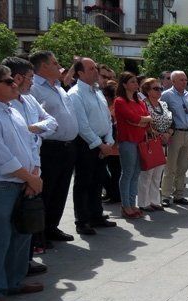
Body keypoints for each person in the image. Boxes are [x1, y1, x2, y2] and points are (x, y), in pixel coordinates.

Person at [0, 63, 45, 301]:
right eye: (8, 81)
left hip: (24, 182)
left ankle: (14, 282)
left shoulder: (12, 111)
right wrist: (30, 177)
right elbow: (1, 157)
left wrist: (34, 172)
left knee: (22, 234)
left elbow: (31, 142)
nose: (14, 83)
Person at [2, 56, 56, 272]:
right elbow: (10, 146)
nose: (33, 81)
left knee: (27, 220)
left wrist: (36, 126)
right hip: (14, 175)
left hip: (34, 167)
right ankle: (7, 272)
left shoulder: (30, 100)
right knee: (9, 226)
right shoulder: (6, 105)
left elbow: (51, 122)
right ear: (18, 77)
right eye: (31, 77)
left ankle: (22, 264)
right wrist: (29, 175)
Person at [29, 51, 80, 243]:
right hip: (49, 148)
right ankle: (39, 234)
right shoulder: (34, 88)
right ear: (43, 67)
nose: (59, 65)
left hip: (67, 147)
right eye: (54, 62)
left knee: (60, 190)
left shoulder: (58, 86)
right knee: (47, 190)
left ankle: (52, 227)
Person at [68, 57, 117, 235]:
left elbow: (107, 119)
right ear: (79, 73)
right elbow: (82, 125)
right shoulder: (75, 94)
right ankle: (82, 220)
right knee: (84, 183)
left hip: (102, 141)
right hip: (86, 144)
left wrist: (109, 140)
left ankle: (96, 215)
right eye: (91, 69)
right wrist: (99, 145)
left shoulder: (97, 92)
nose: (96, 71)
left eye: (96, 67)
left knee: (97, 181)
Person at [113, 72, 151, 218]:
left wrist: (141, 121)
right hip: (127, 141)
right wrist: (142, 120)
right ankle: (126, 206)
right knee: (128, 173)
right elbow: (132, 118)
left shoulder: (139, 101)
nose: (136, 84)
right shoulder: (120, 101)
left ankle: (132, 204)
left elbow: (147, 118)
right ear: (124, 84)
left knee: (136, 173)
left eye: (136, 82)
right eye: (133, 82)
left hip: (140, 140)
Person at [160, 70, 188, 206]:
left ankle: (179, 194)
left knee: (183, 166)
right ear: (173, 81)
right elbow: (163, 115)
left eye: (185, 79)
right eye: (181, 80)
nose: (184, 82)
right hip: (175, 133)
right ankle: (165, 195)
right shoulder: (166, 95)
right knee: (171, 166)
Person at [138, 78, 172, 211]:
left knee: (158, 174)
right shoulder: (143, 104)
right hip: (150, 142)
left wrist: (168, 133)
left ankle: (154, 200)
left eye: (160, 88)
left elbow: (171, 121)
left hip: (163, 142)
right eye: (155, 89)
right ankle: (143, 202)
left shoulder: (163, 104)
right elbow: (144, 123)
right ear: (147, 90)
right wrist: (157, 134)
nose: (159, 91)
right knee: (147, 174)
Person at [101, 80, 121, 204]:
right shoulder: (112, 106)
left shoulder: (112, 108)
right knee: (114, 171)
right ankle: (112, 193)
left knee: (114, 172)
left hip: (113, 145)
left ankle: (115, 195)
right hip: (113, 145)